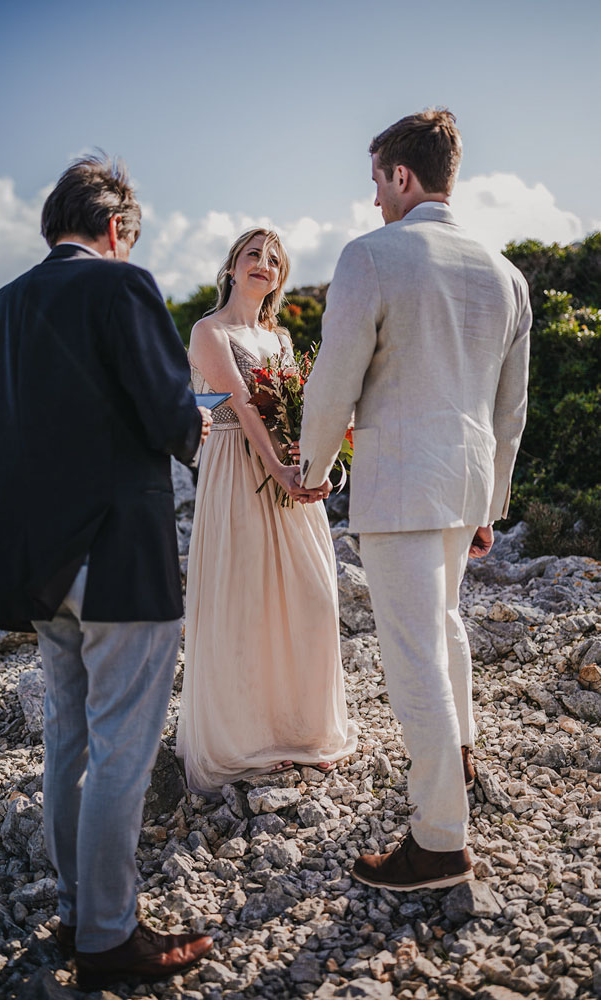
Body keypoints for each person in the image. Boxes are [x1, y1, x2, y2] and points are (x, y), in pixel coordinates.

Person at [0, 155, 214, 989]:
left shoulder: (0, 308)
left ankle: (79, 913)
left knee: (68, 741)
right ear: (117, 229)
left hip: (35, 564)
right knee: (121, 753)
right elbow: (166, 412)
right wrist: (207, 428)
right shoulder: (122, 286)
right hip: (116, 556)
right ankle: (109, 939)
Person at [299, 109, 531, 891]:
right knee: (445, 627)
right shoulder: (506, 274)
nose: (372, 200)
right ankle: (459, 758)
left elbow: (334, 380)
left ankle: (437, 840)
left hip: (399, 481)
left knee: (414, 657)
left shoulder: (372, 256)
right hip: (464, 482)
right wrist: (490, 505)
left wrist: (312, 466)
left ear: (402, 176)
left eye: (376, 181)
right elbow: (512, 411)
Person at [176, 227, 358, 796]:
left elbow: (301, 417)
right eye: (253, 254)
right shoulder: (209, 331)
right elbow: (243, 411)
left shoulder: (279, 340)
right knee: (245, 597)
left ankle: (301, 730)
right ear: (232, 266)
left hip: (286, 474)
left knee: (310, 592)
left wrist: (319, 463)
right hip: (237, 471)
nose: (264, 264)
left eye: (273, 259)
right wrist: (278, 469)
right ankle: (247, 741)